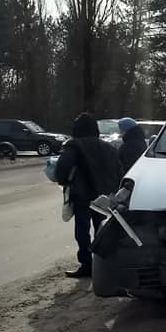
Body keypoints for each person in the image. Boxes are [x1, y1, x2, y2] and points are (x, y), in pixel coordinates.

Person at [55, 112, 122, 278]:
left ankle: (87, 264)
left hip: (82, 196)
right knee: (102, 230)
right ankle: (104, 263)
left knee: (82, 232)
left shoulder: (74, 146)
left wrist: (62, 180)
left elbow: (62, 167)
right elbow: (119, 170)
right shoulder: (108, 147)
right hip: (104, 197)